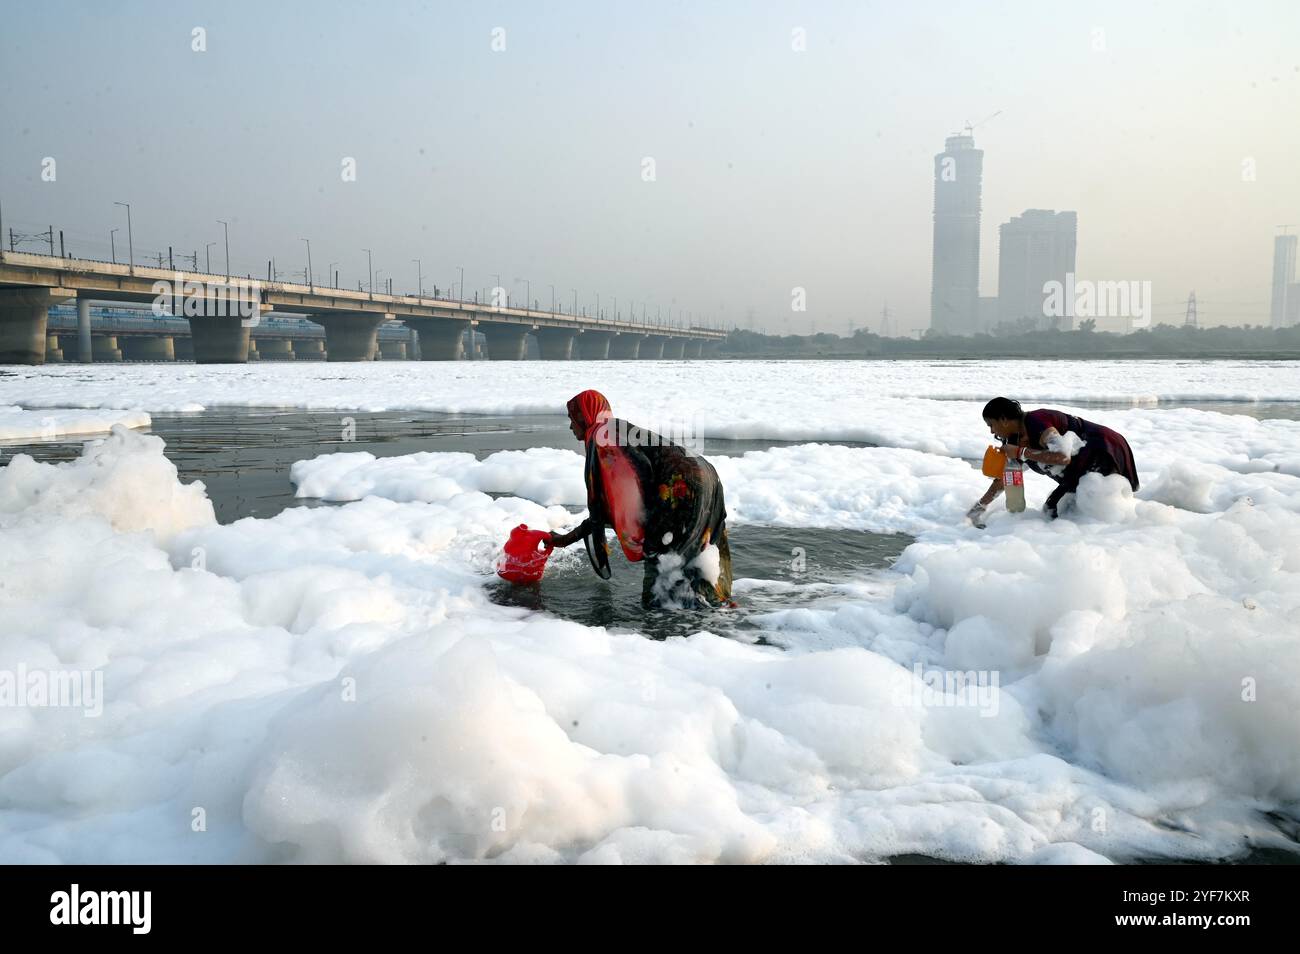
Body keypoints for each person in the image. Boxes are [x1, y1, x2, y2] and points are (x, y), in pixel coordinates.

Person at [548, 389, 734, 608]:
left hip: (681, 483)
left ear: (585, 416)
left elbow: (637, 475)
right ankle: (713, 614)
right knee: (696, 559)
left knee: (660, 565)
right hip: (705, 475)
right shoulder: (616, 430)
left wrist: (650, 522)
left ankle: (661, 629)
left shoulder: (604, 438)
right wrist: (564, 539)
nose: (571, 427)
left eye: (573, 419)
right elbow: (606, 510)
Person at [968, 396, 1140, 521]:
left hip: (1102, 447)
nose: (991, 431)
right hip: (1078, 466)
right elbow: (1005, 478)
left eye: (991, 425)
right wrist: (980, 507)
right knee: (1056, 508)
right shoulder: (1013, 439)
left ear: (1004, 419)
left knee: (1100, 503)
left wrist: (1021, 452)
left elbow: (1062, 456)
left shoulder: (1037, 421)